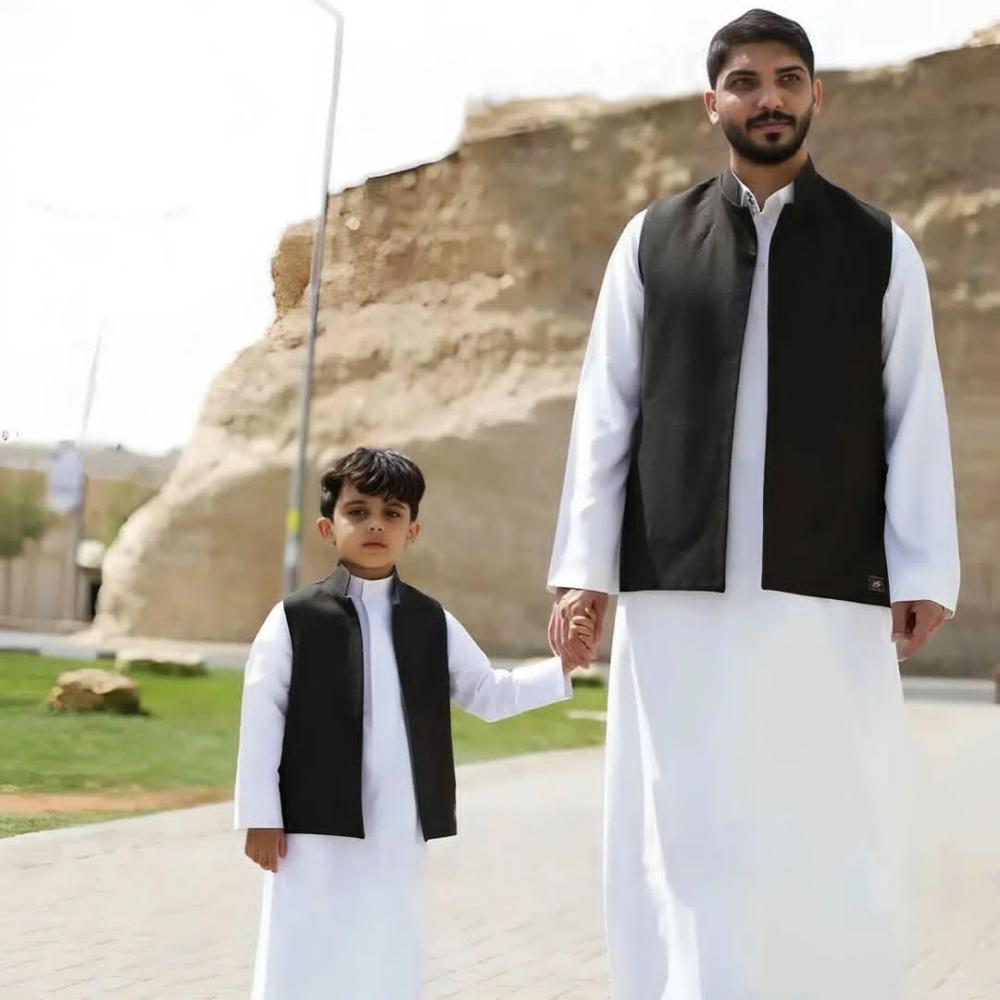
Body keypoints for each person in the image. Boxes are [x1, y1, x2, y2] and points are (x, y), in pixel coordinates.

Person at [547, 9, 960, 999]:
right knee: (684, 823)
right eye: (744, 81)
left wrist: (922, 568)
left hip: (825, 587)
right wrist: (584, 572)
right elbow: (606, 413)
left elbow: (913, 409)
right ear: (712, 103)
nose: (767, 98)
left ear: (817, 95)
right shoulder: (649, 243)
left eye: (786, 79)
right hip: (676, 586)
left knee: (826, 817)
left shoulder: (880, 247)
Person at [234, 447, 588, 999]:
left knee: (387, 941)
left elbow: (488, 692)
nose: (375, 524)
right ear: (328, 527)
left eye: (392, 513)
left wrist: (562, 667)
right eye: (358, 512)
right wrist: (260, 816)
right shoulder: (294, 619)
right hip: (310, 821)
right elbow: (262, 717)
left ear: (412, 531)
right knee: (302, 941)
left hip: (399, 820)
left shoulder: (430, 620)